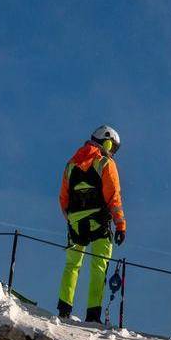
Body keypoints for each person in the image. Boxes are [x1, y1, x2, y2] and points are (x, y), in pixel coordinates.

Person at [57, 125, 126, 324]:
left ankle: (64, 308)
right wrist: (121, 226)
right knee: (99, 267)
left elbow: (63, 199)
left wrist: (72, 220)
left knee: (71, 265)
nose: (113, 152)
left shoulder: (71, 164)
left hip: (76, 224)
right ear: (107, 141)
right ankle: (93, 315)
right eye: (113, 147)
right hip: (99, 223)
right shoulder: (105, 163)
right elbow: (114, 198)